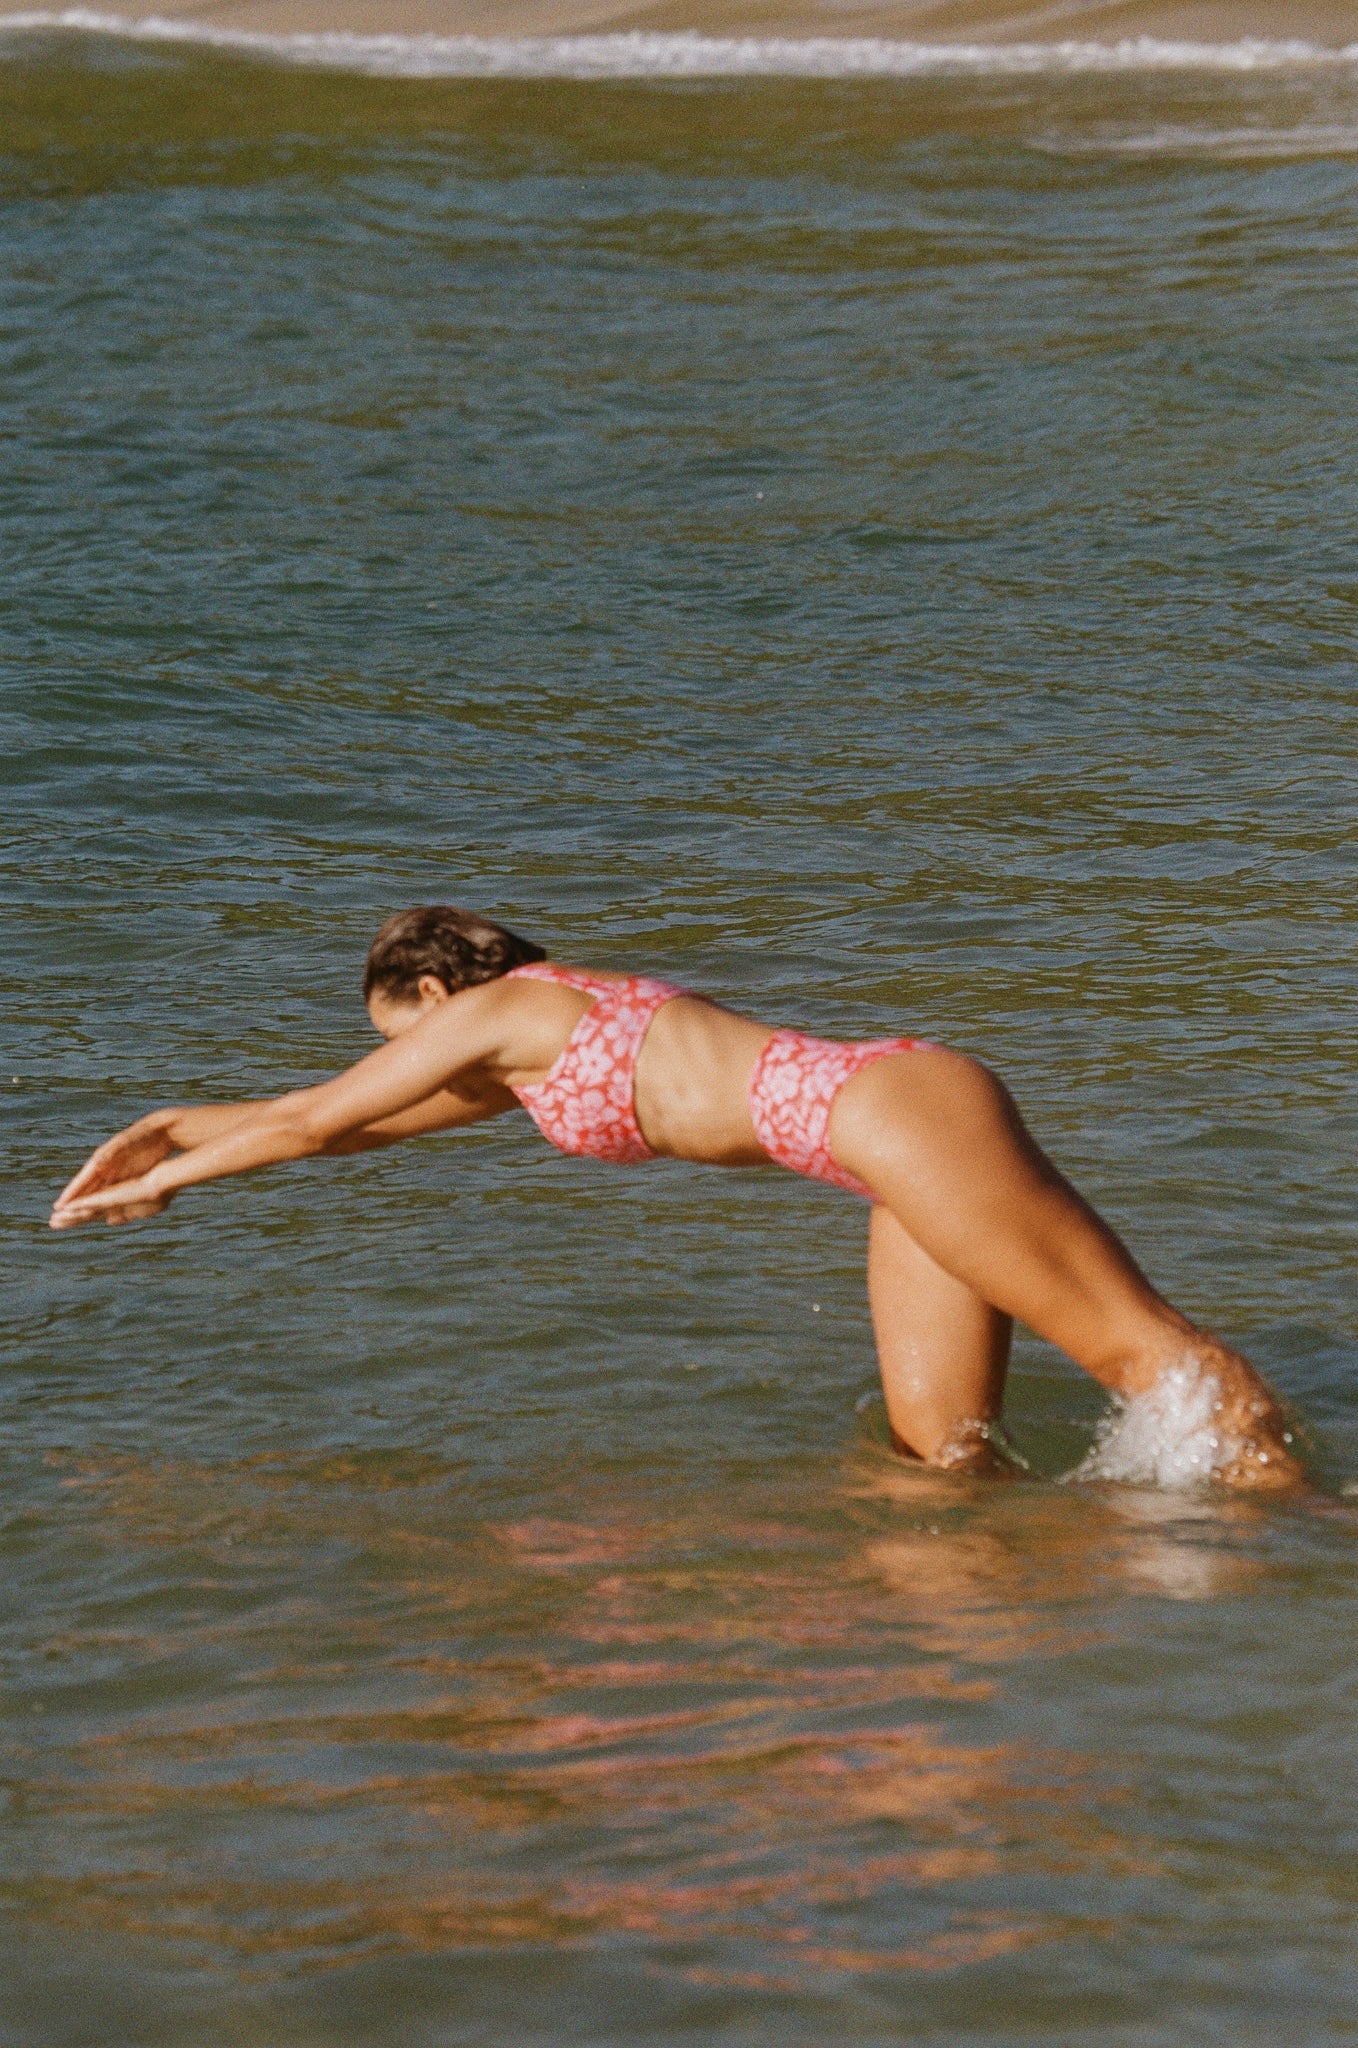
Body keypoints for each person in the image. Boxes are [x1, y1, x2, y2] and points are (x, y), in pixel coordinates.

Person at [50, 905, 1302, 1487]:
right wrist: (165, 1130)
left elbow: (317, 1115)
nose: (409, 1063)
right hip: (877, 1147)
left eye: (398, 1039)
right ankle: (1016, 1638)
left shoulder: (505, 1009)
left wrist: (161, 1185)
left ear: (432, 998)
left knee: (1142, 1354)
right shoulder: (533, 1042)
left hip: (894, 1113)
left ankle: (1307, 1532)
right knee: (941, 1462)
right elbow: (341, 1127)